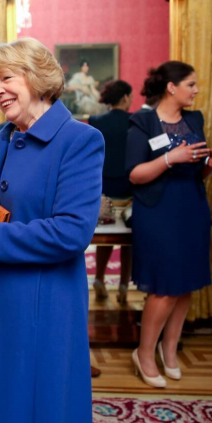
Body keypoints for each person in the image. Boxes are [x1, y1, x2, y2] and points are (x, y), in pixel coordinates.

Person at [0, 38, 104, 423]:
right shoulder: (6, 135)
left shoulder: (79, 140)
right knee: (0, 403)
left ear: (37, 79)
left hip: (43, 303)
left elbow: (72, 231)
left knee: (38, 410)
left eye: (6, 78)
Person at [126, 61, 212, 389]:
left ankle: (170, 351)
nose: (196, 91)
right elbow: (134, 175)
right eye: (191, 84)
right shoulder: (141, 122)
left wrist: (209, 165)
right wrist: (171, 158)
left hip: (191, 206)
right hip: (157, 210)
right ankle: (144, 353)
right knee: (165, 288)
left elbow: (196, 171)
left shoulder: (194, 119)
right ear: (172, 86)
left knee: (185, 286)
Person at [88, 80, 133, 303]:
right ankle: (124, 285)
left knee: (104, 240)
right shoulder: (135, 121)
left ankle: (98, 279)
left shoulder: (96, 121)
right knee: (128, 243)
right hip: (128, 188)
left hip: (102, 190)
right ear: (125, 97)